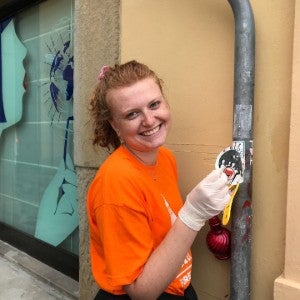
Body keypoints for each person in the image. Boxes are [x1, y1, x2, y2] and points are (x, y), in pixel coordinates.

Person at [87, 60, 230, 300]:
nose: (150, 120)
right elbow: (142, 292)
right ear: (115, 125)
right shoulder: (116, 182)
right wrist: (194, 214)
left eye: (154, 104)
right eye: (132, 114)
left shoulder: (165, 158)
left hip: (176, 286)